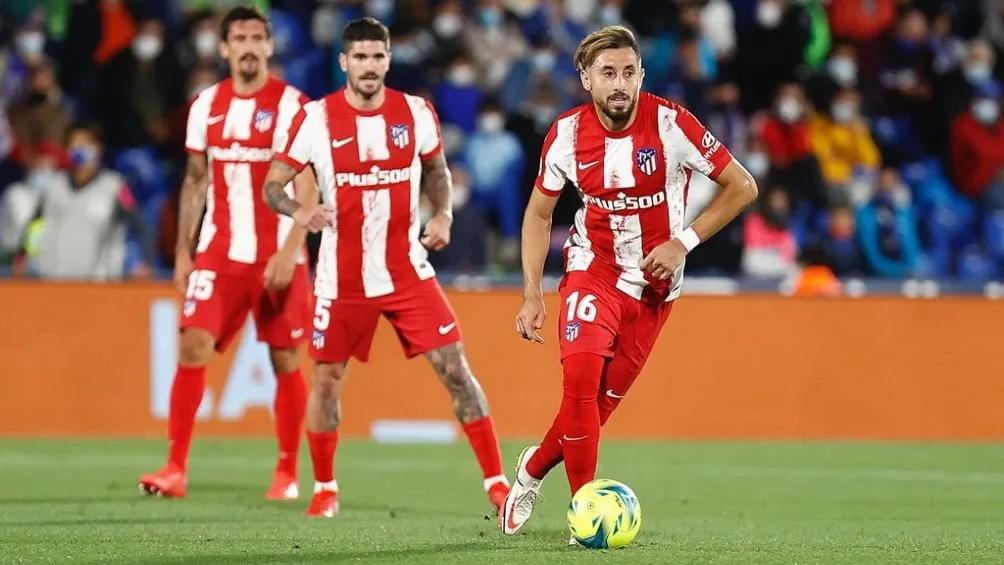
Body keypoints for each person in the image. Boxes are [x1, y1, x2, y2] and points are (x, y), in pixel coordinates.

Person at [499, 25, 757, 540]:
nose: (619, 84)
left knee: (593, 410)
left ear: (641, 75)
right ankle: (585, 515)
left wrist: (683, 242)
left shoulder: (672, 124)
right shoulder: (566, 135)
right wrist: (532, 293)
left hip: (656, 289)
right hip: (593, 270)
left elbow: (742, 186)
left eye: (628, 73)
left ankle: (531, 469)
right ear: (586, 78)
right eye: (608, 73)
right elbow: (538, 214)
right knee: (579, 382)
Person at [259, 17, 510, 518]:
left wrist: (444, 213)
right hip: (342, 280)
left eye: (378, 56)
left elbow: (437, 169)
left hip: (407, 272)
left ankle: (498, 484)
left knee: (456, 370)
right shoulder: (316, 119)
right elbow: (272, 184)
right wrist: (300, 211)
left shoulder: (415, 112)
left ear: (389, 60)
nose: (369, 66)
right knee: (326, 382)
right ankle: (325, 488)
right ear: (344, 62)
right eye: (360, 57)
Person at [139, 6, 315, 502]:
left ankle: (286, 472)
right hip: (220, 252)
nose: (249, 46)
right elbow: (196, 180)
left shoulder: (293, 106)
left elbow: (308, 184)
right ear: (224, 48)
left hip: (279, 253)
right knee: (192, 344)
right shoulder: (205, 106)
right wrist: (182, 251)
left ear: (270, 46)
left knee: (285, 358)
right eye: (240, 38)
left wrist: (291, 249)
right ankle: (175, 468)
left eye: (258, 37)